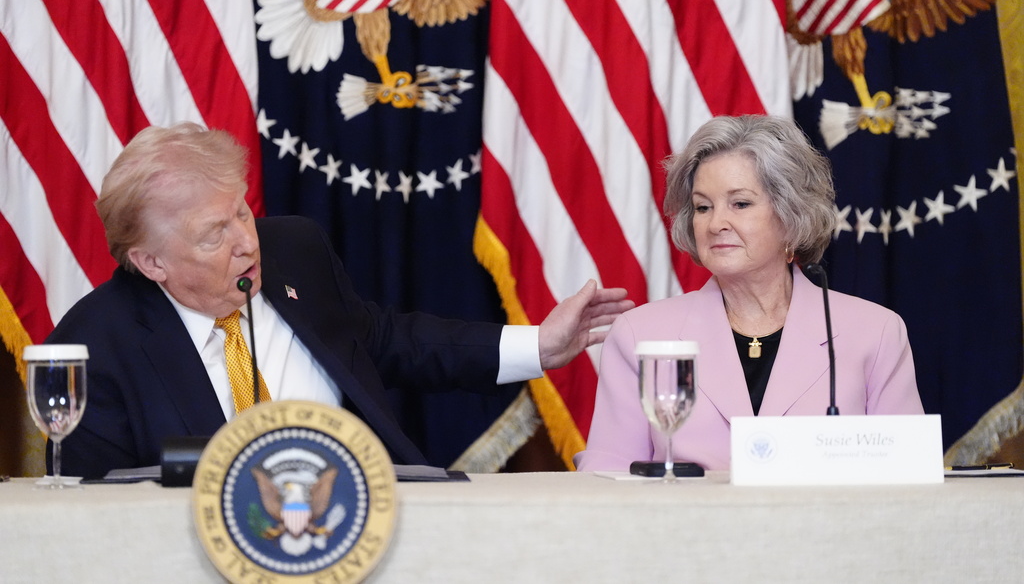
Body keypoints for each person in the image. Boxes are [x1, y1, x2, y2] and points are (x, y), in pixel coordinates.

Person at [47, 122, 633, 479]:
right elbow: (102, 514)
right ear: (151, 262)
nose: (246, 241)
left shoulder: (293, 249)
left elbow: (389, 341)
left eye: (241, 212)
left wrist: (540, 345)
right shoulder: (95, 346)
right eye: (213, 235)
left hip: (365, 532)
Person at [575, 115, 923, 472]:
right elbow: (608, 475)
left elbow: (908, 473)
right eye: (703, 207)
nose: (715, 224)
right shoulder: (640, 335)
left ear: (790, 213)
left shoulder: (876, 332)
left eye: (740, 204)